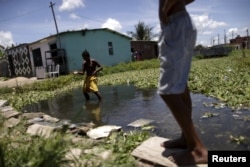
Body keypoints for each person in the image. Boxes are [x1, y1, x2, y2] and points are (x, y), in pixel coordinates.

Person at [158, 0, 207, 165]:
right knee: (179, 86)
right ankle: (186, 139)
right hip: (176, 24)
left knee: (168, 91)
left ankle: (198, 149)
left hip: (176, 24)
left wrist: (166, 8)